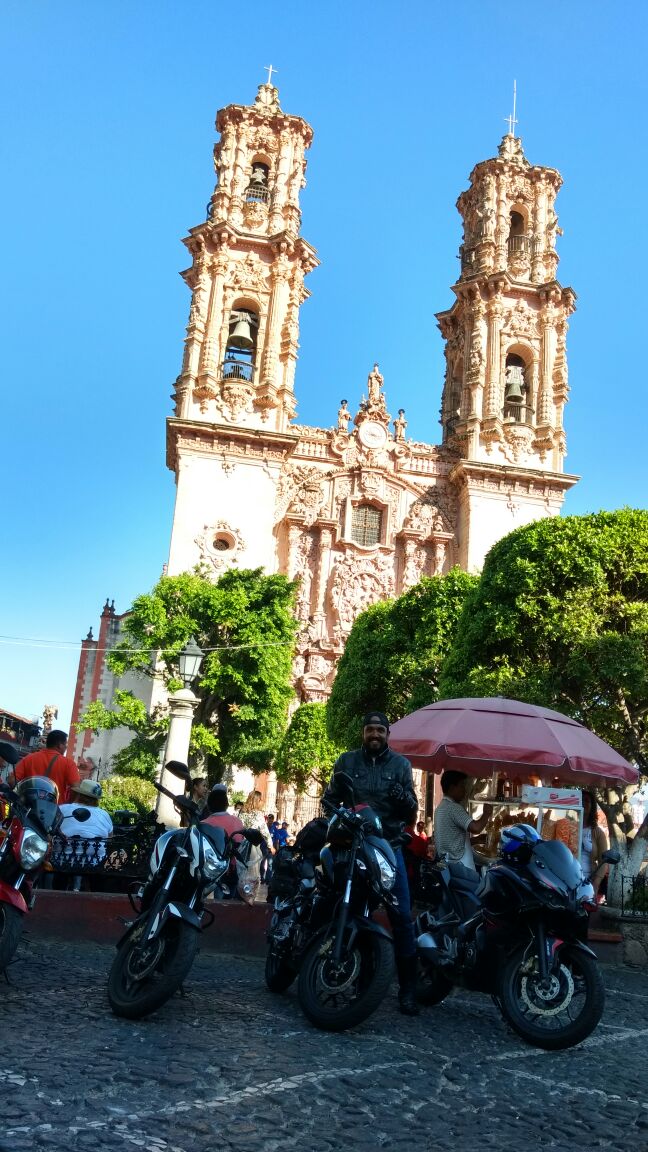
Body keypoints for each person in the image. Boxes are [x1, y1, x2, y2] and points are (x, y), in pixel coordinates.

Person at [323, 710, 420, 1016]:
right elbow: (329, 801)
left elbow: (412, 813)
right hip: (355, 850)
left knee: (402, 917)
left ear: (388, 734)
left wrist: (403, 797)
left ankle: (408, 991)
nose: (375, 734)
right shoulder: (346, 762)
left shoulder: (402, 766)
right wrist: (338, 822)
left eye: (380, 730)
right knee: (350, 911)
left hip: (389, 850)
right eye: (370, 730)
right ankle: (359, 981)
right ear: (363, 733)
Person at [59, 779, 113, 892]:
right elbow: (110, 839)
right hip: (95, 861)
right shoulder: (104, 815)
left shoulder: (62, 809)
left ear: (78, 794)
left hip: (61, 858)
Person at [434, 770, 489, 874]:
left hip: (449, 867)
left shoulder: (440, 808)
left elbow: (453, 841)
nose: (465, 790)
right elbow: (476, 828)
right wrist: (486, 813)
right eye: (462, 786)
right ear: (452, 788)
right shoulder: (454, 808)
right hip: (462, 870)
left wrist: (476, 840)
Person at [202, 784, 245, 899]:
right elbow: (240, 842)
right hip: (232, 869)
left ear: (209, 805)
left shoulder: (204, 824)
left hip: (209, 871)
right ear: (226, 805)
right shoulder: (237, 822)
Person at [14, 730, 80, 803]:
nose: (66, 748)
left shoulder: (29, 758)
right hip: (54, 810)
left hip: (28, 809)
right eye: (65, 745)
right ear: (60, 745)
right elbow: (76, 788)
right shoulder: (68, 763)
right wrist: (67, 804)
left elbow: (12, 780)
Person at [581, 790, 609, 899]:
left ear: (592, 806)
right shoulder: (568, 826)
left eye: (587, 801)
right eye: (581, 799)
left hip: (588, 881)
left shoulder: (598, 833)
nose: (583, 802)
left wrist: (596, 883)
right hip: (567, 879)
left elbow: (604, 862)